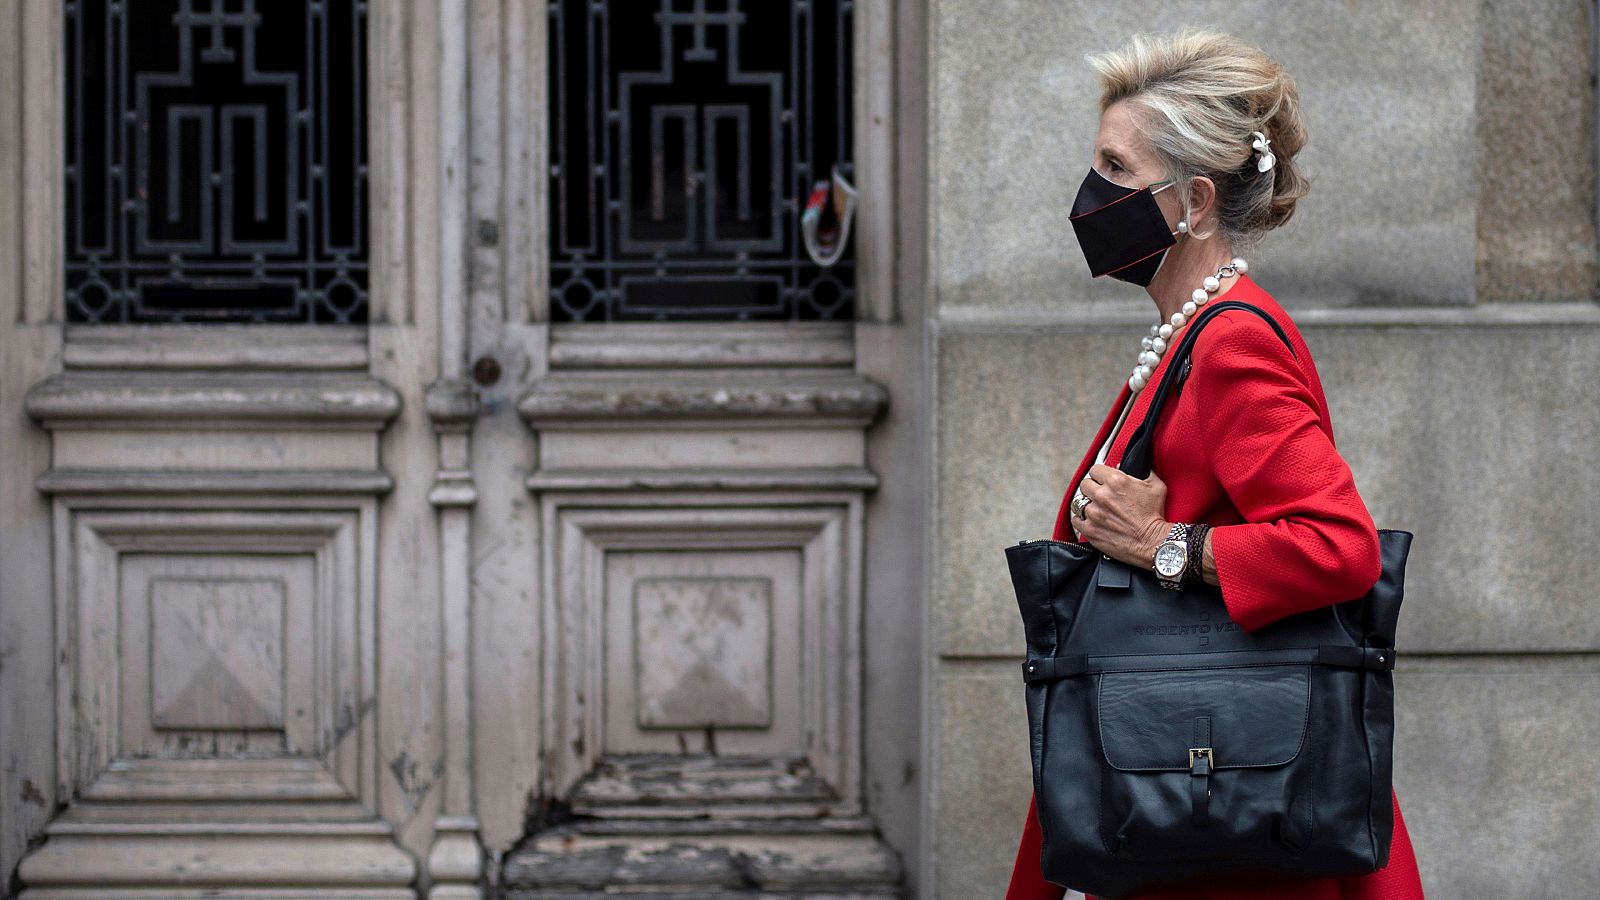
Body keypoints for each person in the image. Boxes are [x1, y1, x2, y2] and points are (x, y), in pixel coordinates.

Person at [1004, 29, 1426, 900]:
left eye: (1116, 170)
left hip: (1222, 814)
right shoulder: (1187, 335)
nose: (1092, 195)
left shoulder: (1229, 343)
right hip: (1196, 782)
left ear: (1194, 201)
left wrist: (1164, 542)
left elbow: (1338, 546)